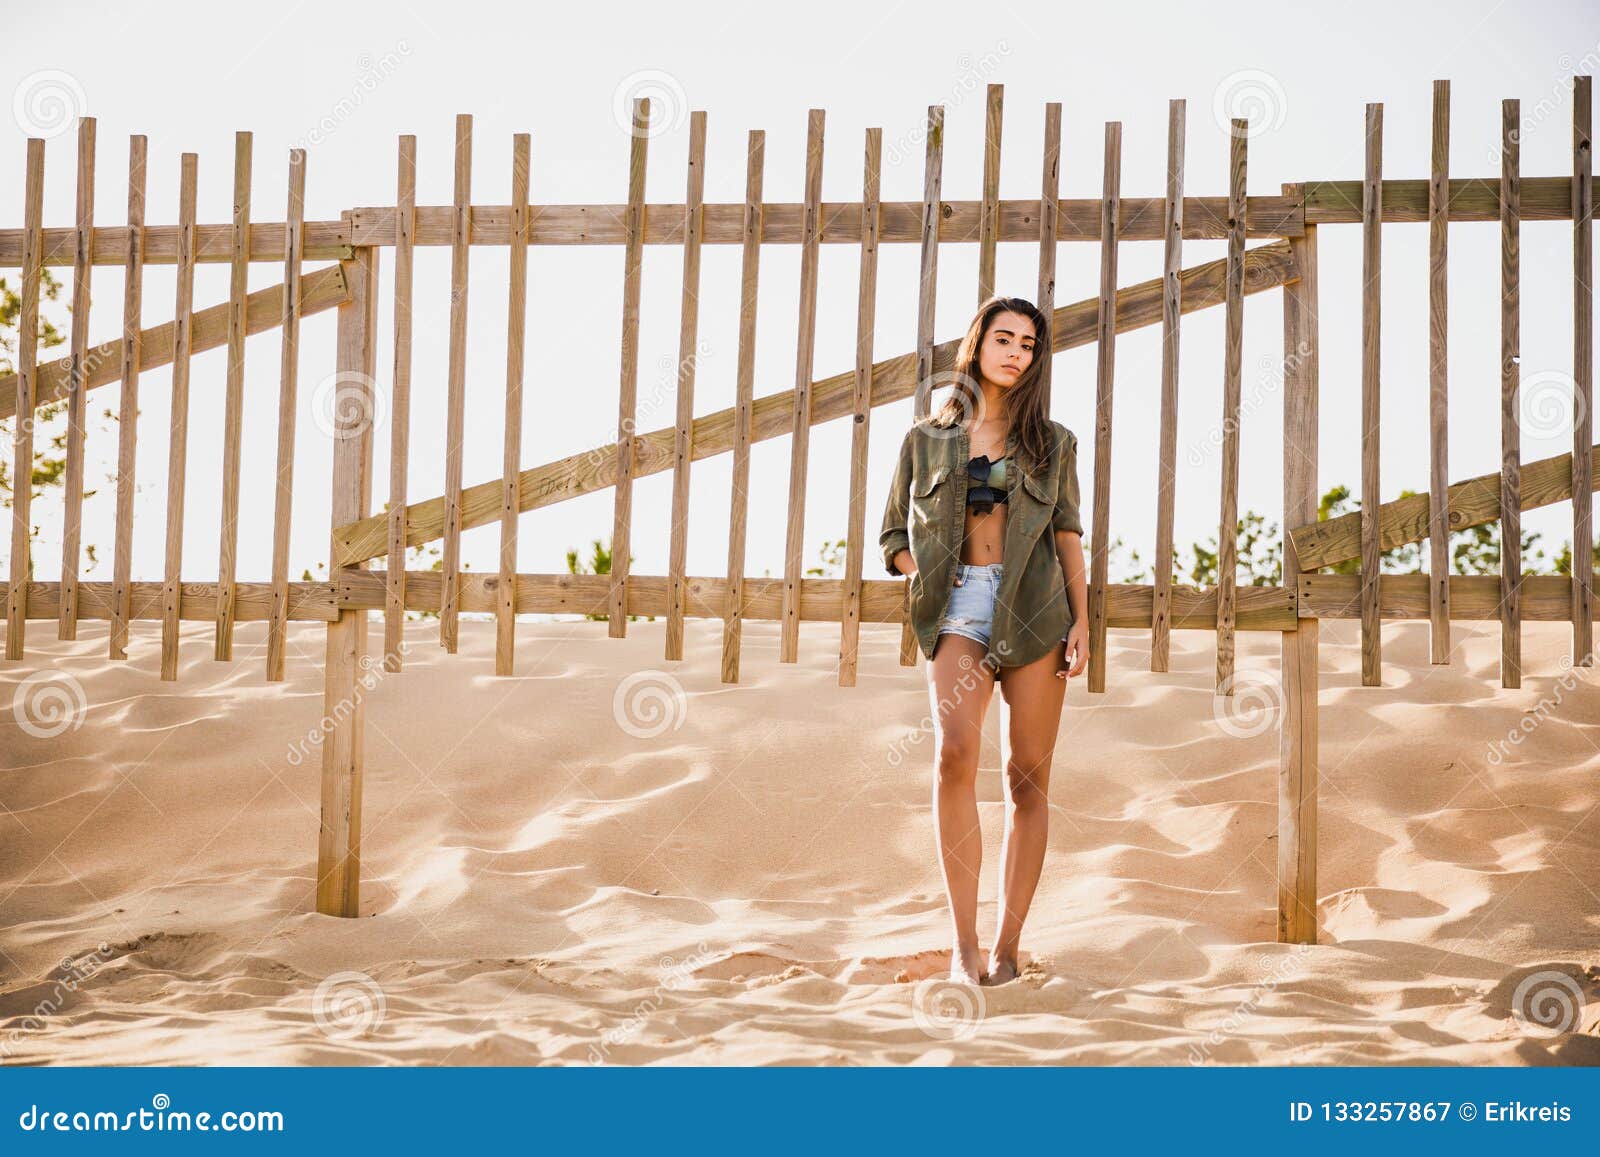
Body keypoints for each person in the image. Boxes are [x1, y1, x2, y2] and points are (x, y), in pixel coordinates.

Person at [878, 295, 1088, 986]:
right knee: (954, 755)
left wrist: (1082, 620)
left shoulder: (1053, 442)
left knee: (1027, 777)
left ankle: (1007, 946)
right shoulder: (926, 440)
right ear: (978, 345)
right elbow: (892, 537)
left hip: (1034, 608)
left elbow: (1066, 536)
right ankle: (963, 945)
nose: (1016, 353)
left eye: (1028, 344)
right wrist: (923, 575)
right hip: (958, 608)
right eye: (1004, 338)